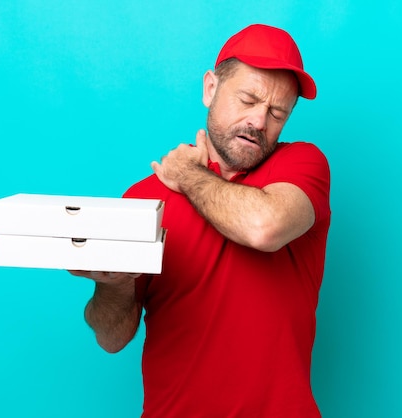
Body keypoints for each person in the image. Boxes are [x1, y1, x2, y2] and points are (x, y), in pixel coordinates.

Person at [70, 23, 331, 418]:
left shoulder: (300, 167)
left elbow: (264, 227)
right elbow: (112, 337)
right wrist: (115, 285)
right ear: (210, 88)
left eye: (277, 112)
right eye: (248, 99)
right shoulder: (145, 199)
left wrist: (188, 177)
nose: (259, 122)